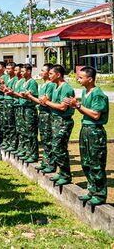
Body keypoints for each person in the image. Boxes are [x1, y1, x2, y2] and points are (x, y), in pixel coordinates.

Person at [64, 67, 109, 206]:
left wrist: (77, 105)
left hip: (95, 132)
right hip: (86, 129)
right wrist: (75, 104)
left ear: (90, 79)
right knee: (86, 162)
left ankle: (100, 194)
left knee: (96, 164)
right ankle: (92, 189)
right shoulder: (85, 91)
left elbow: (96, 115)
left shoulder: (98, 94)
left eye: (81, 77)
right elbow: (85, 111)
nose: (78, 79)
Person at [39, 65, 75, 186]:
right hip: (55, 120)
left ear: (58, 75)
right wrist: (46, 100)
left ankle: (66, 174)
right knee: (55, 146)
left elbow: (63, 107)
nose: (49, 76)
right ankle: (61, 172)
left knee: (59, 147)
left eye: (51, 74)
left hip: (63, 121)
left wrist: (47, 102)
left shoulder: (66, 88)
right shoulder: (55, 86)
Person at [25, 64, 55, 171]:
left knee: (48, 139)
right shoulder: (42, 85)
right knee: (43, 139)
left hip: (47, 114)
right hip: (42, 113)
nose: (41, 72)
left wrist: (30, 97)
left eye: (43, 71)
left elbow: (44, 102)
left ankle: (50, 164)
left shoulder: (50, 85)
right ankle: (45, 162)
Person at [9, 64, 39, 163]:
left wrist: (14, 93)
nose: (21, 73)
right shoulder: (24, 82)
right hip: (22, 108)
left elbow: (30, 96)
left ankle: (33, 153)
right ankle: (25, 150)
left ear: (29, 71)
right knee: (23, 130)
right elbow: (22, 95)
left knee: (30, 132)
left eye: (23, 71)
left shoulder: (32, 82)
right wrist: (14, 94)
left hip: (29, 110)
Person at [1, 62, 17, 152]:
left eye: (9, 69)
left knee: (11, 124)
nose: (7, 70)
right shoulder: (6, 78)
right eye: (6, 68)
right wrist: (2, 84)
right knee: (5, 123)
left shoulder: (16, 79)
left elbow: (12, 91)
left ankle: (13, 143)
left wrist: (5, 87)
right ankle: (7, 141)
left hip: (11, 101)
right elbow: (3, 89)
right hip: (5, 101)